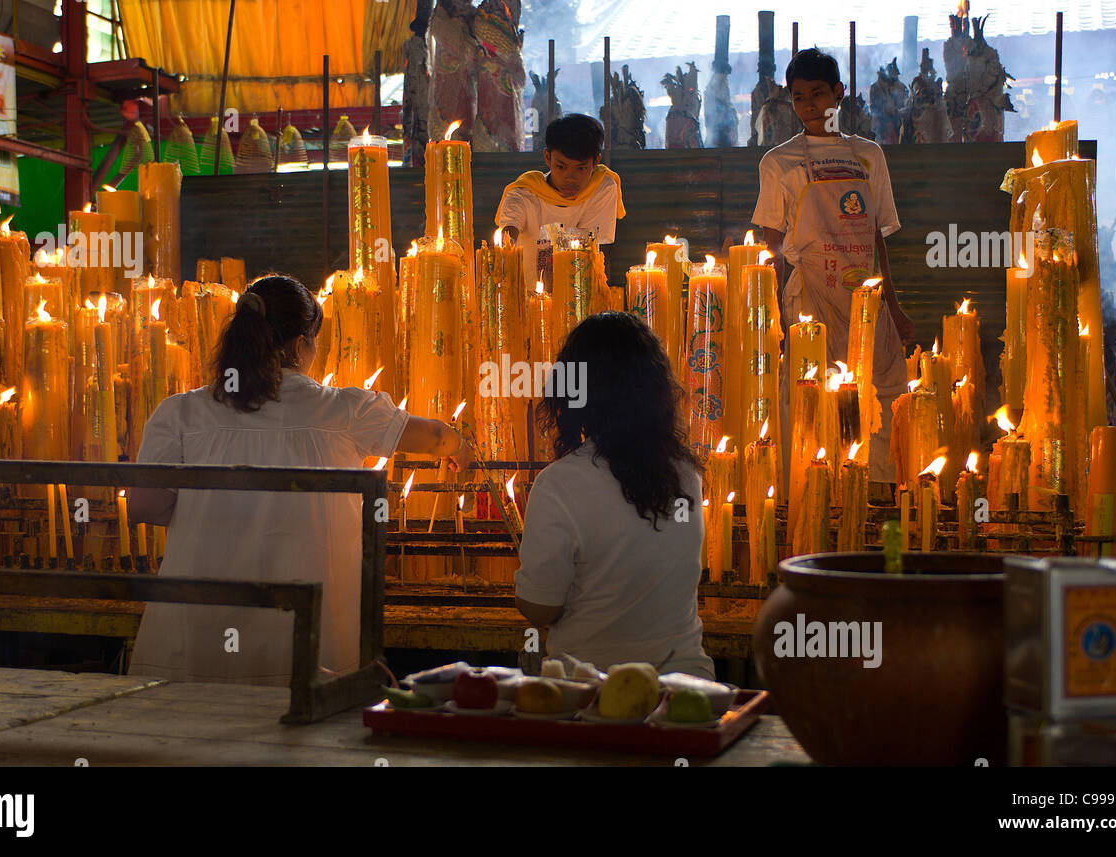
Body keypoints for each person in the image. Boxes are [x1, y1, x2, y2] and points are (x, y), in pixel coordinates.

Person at [127, 274, 471, 686]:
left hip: (195, 644)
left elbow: (144, 505)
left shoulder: (180, 413)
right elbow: (432, 436)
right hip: (305, 654)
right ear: (298, 345)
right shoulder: (345, 412)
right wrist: (459, 444)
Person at [514, 312, 716, 679]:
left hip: (591, 692)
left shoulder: (559, 484)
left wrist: (524, 583)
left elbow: (541, 607)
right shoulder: (687, 475)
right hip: (685, 687)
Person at [751, 48, 914, 484]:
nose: (808, 105)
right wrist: (772, 321)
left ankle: (878, 495)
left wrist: (894, 307)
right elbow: (771, 243)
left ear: (839, 93)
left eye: (818, 94)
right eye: (799, 96)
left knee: (881, 396)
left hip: (867, 298)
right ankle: (816, 493)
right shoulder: (778, 163)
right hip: (811, 299)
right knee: (811, 399)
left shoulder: (869, 155)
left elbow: (876, 236)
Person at [496, 113, 626, 289]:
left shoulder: (602, 188)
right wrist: (503, 253)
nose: (570, 178)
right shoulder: (523, 193)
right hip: (527, 299)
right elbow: (508, 232)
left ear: (596, 161)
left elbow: (594, 252)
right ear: (547, 157)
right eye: (561, 167)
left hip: (577, 295)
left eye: (581, 168)